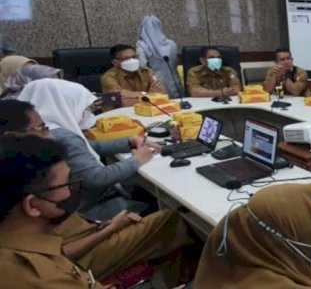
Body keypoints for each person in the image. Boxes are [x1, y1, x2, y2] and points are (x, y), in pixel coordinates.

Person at [0, 135, 193, 287]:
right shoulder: (39, 277)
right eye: (67, 183)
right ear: (32, 205)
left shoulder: (24, 243)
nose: (73, 189)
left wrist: (110, 227)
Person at [16, 79, 158, 213]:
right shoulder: (64, 137)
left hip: (73, 203)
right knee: (159, 202)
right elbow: (97, 178)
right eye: (84, 107)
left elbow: (87, 146)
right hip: (94, 205)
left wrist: (128, 142)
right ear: (66, 104)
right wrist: (137, 160)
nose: (86, 113)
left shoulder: (39, 132)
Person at [101, 44, 167, 107]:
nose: (132, 60)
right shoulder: (108, 77)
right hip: (118, 114)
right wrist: (149, 95)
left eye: (134, 57)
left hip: (147, 110)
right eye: (126, 58)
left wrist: (139, 97)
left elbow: (162, 93)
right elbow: (122, 101)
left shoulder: (147, 72)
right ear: (115, 62)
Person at [136, 15, 182, 98]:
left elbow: (142, 67)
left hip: (155, 85)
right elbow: (175, 63)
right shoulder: (171, 43)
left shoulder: (141, 45)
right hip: (174, 82)